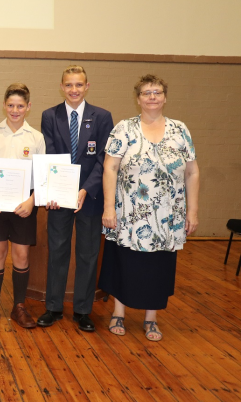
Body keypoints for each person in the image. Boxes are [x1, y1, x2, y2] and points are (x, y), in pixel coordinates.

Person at [101, 74, 199, 341]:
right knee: (124, 263)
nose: (152, 97)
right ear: (138, 99)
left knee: (159, 267)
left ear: (165, 97)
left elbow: (192, 172)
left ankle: (151, 319)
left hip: (167, 217)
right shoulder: (124, 129)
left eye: (157, 92)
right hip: (129, 214)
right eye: (146, 92)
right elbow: (110, 168)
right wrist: (109, 207)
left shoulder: (180, 130)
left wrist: (192, 211)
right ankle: (118, 313)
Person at [37, 65, 114, 332]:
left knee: (88, 254)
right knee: (57, 252)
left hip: (90, 197)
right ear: (61, 87)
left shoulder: (102, 117)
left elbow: (104, 159)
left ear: (87, 86)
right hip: (59, 198)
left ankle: (82, 310)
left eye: (79, 85)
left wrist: (84, 189)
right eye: (69, 85)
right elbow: (49, 154)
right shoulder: (50, 116)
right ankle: (53, 307)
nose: (74, 90)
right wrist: (54, 190)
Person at [0, 83, 45, 329]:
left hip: (24, 203)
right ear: (4, 105)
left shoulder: (36, 137)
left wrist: (32, 201)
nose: (15, 110)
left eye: (20, 106)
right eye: (11, 105)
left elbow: (42, 176)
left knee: (21, 254)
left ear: (28, 107)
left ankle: (19, 307)